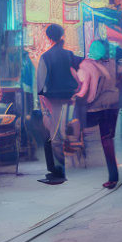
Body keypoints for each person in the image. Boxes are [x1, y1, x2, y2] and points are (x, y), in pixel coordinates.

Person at [36, 24, 83, 185]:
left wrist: (42, 103)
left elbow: (40, 84)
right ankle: (55, 170)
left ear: (48, 37)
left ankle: (59, 172)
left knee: (55, 137)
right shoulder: (69, 55)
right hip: (70, 100)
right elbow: (80, 73)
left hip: (54, 101)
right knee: (58, 135)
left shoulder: (46, 57)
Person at [79, 39, 121, 189]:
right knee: (108, 139)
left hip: (100, 108)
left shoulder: (89, 65)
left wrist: (83, 101)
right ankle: (113, 174)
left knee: (105, 140)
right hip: (113, 105)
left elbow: (91, 93)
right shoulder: (113, 63)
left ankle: (113, 176)